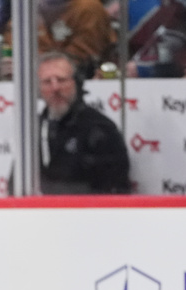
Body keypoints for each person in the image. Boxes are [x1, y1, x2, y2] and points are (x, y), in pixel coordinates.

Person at [36, 51, 130, 194]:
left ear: (76, 83)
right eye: (47, 82)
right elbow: (16, 183)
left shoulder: (99, 128)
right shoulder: (33, 128)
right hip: (37, 213)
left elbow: (114, 188)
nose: (55, 88)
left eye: (61, 80)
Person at [37, 0, 117, 79]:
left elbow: (85, 49)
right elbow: (36, 49)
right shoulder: (33, 9)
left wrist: (56, 66)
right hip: (43, 73)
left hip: (85, 75)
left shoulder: (88, 6)